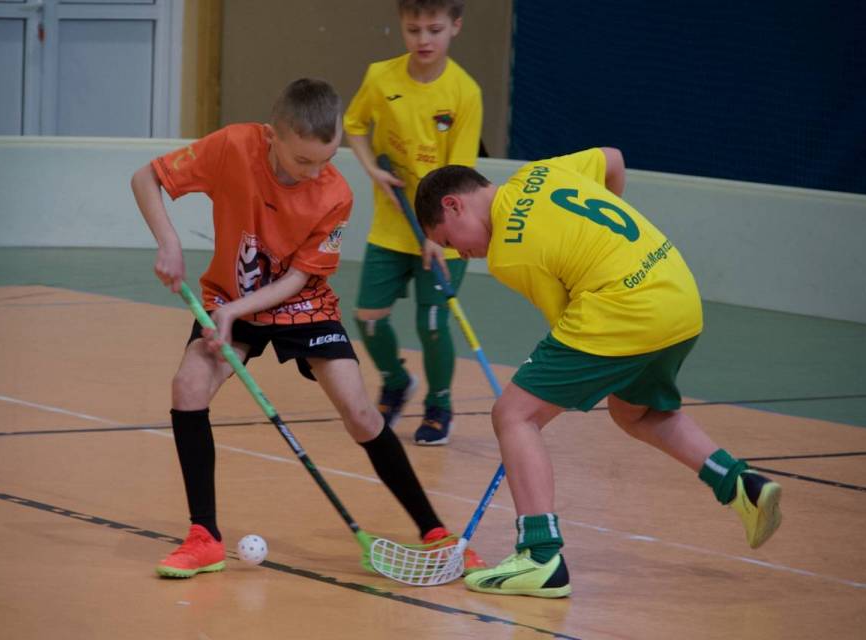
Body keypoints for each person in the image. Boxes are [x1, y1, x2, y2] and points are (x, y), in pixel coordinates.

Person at [130, 78, 484, 578]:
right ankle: (204, 537)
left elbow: (298, 278)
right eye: (303, 161)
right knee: (188, 387)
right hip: (231, 293)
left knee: (360, 411)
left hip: (303, 304)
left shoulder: (335, 193)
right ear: (272, 135)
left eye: (328, 158)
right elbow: (146, 178)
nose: (316, 172)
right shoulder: (233, 146)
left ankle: (434, 532)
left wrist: (234, 312)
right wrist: (168, 243)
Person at [414, 148, 783, 598]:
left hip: (624, 309)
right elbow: (613, 160)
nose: (461, 254)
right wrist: (605, 248)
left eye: (450, 241)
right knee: (635, 412)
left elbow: (565, 321)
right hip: (678, 295)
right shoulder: (539, 172)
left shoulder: (508, 253)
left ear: (454, 204)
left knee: (514, 414)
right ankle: (739, 483)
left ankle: (540, 556)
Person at [343, 0, 483, 445]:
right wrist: (372, 169)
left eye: (434, 30)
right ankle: (397, 381)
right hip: (391, 226)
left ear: (455, 26)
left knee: (434, 323)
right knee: (367, 317)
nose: (423, 39)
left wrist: (439, 235)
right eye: (413, 29)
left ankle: (440, 404)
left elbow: (460, 177)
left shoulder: (465, 92)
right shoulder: (380, 77)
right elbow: (354, 124)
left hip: (446, 229)